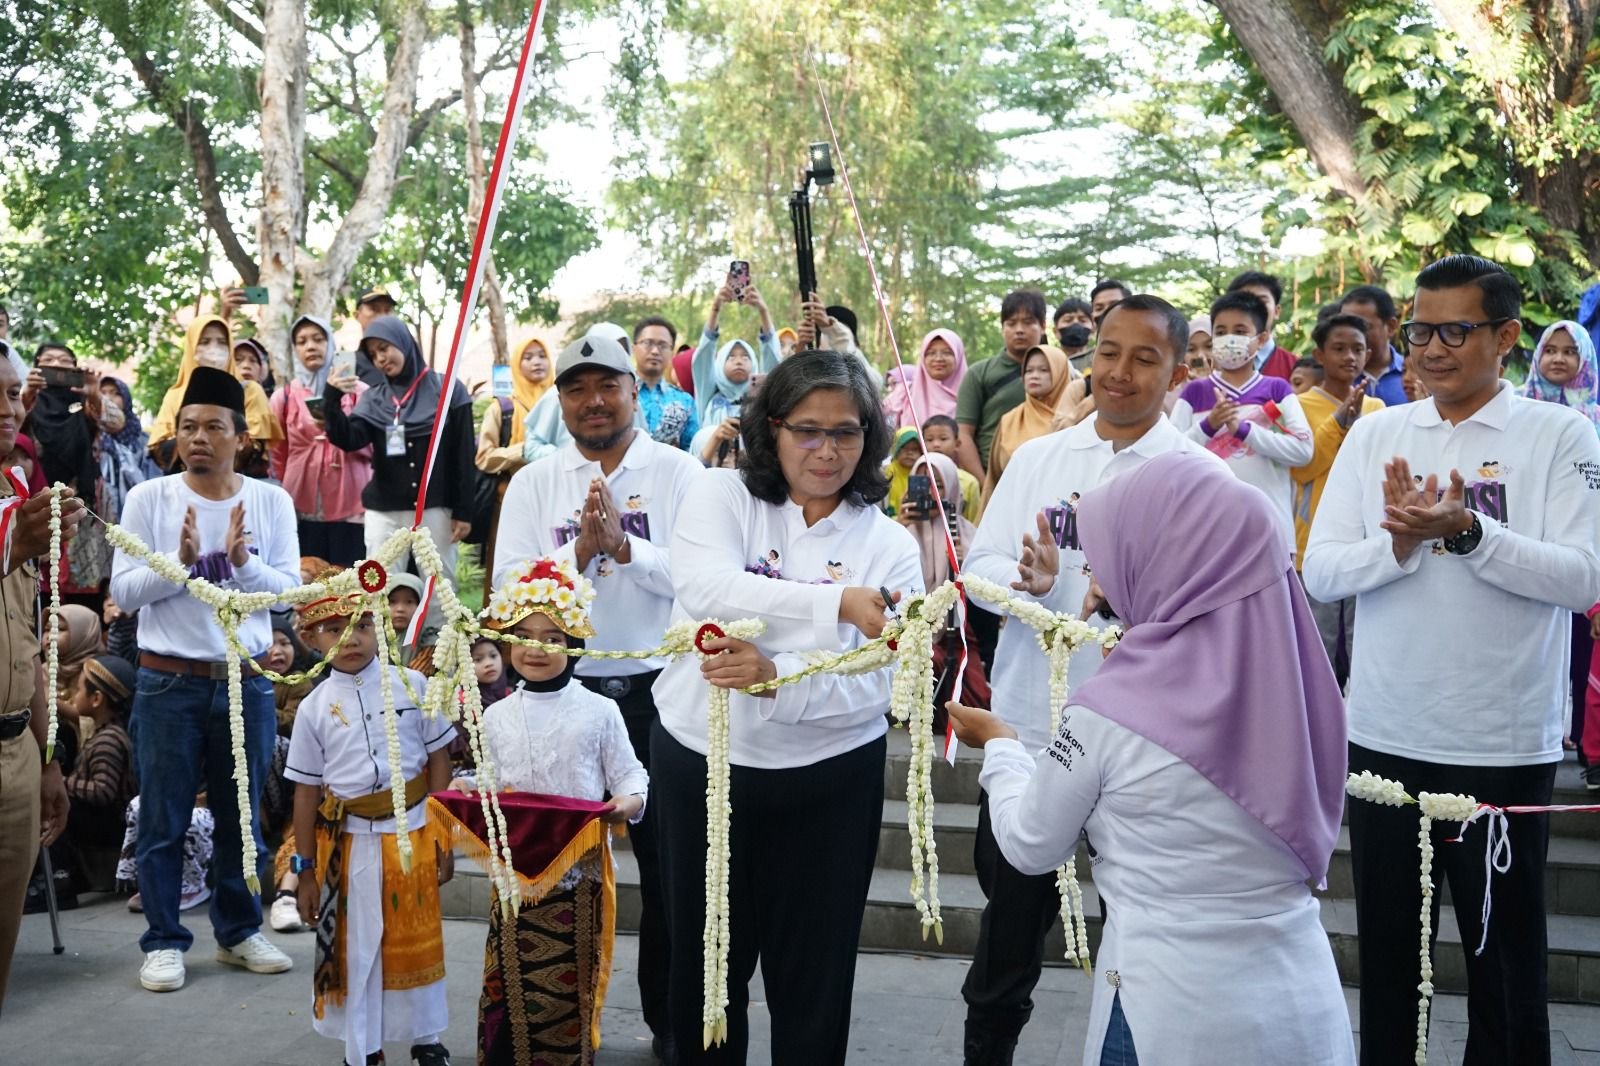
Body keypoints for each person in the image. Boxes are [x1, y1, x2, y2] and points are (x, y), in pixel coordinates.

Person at [948, 451, 1354, 1066]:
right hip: (1299, 1009)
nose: (1099, 578)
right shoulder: (1300, 694)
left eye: (1113, 556)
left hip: (1167, 1010)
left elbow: (1031, 843)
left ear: (1166, 562)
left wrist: (1002, 745)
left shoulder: (1111, 711)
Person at [1304, 255, 1600, 1063]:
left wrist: (1470, 534)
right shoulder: (1378, 434)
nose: (1431, 350)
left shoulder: (1559, 435)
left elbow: (1584, 578)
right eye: (1420, 331)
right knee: (1393, 960)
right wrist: (1396, 545)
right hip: (1386, 743)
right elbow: (1321, 569)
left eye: (1455, 331)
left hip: (1502, 747)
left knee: (1505, 966)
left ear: (1506, 337)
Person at [959, 294, 1227, 1066]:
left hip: (1146, 744)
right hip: (1033, 732)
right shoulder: (1043, 458)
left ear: (1180, 371)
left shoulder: (1198, 478)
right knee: (1008, 929)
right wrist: (1029, 583)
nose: (1120, 372)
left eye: (1146, 358)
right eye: (1108, 352)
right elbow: (977, 572)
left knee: (1141, 931)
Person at [652, 349, 920, 1064]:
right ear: (770, 429)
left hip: (829, 779)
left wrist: (777, 675)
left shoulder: (889, 545)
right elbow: (708, 587)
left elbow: (879, 677)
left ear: (870, 438)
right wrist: (836, 606)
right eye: (807, 430)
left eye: (846, 432)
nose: (826, 451)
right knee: (707, 968)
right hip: (702, 766)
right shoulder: (721, 495)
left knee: (816, 975)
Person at [493, 332, 702, 1057]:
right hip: (561, 698)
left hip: (662, 694)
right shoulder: (535, 481)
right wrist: (576, 554)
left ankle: (671, 1021)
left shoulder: (681, 473)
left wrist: (624, 549)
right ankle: (551, 1021)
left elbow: (703, 581)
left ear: (633, 390)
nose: (592, 401)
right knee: (550, 872)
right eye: (576, 389)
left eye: (606, 385)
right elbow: (507, 594)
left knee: (674, 872)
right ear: (560, 400)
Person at [110, 365, 300, 994]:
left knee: (240, 817)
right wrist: (181, 564)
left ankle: (239, 931)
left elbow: (291, 591)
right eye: (188, 427)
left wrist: (243, 563)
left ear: (239, 437)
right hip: (168, 681)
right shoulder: (149, 499)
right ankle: (163, 940)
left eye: (213, 427)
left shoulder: (269, 502)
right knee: (162, 816)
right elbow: (125, 592)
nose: (198, 438)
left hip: (245, 681)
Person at [458, 557, 648, 1066]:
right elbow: (491, 781)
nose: (537, 649)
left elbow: (631, 776)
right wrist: (466, 789)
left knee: (568, 991)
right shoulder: (494, 715)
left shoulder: (600, 710)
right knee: (506, 987)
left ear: (574, 646)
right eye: (525, 636)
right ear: (507, 644)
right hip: (513, 877)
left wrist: (625, 803)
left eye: (553, 637)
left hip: (576, 878)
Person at [287, 580, 455, 1066]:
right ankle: (365, 1047)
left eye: (361, 625)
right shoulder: (314, 708)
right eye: (334, 629)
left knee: (417, 941)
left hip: (416, 829)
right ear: (311, 639)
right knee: (361, 948)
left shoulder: (413, 685)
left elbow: (440, 758)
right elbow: (305, 792)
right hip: (353, 841)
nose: (351, 638)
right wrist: (305, 870)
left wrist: (444, 834)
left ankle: (427, 1040)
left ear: (380, 628)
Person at [0, 348, 86, 1007]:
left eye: (12, 395)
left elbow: (27, 649)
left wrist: (47, 758)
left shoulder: (17, 503)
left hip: (17, 756)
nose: (9, 410)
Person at [322, 315, 474, 578]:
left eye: (384, 348)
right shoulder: (374, 398)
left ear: (403, 342)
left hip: (435, 509)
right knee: (379, 588)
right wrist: (332, 398)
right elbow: (349, 439)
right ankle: (384, 623)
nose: (380, 358)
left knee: (438, 589)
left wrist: (463, 510)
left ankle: (436, 624)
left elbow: (463, 456)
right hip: (384, 512)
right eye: (373, 354)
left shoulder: (447, 389)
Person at [1169, 291, 1313, 553]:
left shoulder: (1277, 389)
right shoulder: (1194, 392)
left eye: (1239, 330)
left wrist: (1245, 431)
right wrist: (1207, 427)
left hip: (1270, 531)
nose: (1228, 339)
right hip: (1205, 532)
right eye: (1221, 331)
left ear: (1261, 339)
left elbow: (1303, 450)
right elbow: (1169, 455)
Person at [1519, 321, 1600, 779]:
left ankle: (1582, 735)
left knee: (1583, 644)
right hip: (1528, 541)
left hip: (1583, 543)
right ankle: (1541, 725)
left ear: (1585, 359)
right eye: (1550, 349)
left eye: (1571, 351)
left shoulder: (1595, 416)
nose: (1559, 359)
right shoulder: (1515, 407)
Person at [1293, 314, 1384, 685]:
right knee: (1318, 641)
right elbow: (1302, 467)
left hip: (1366, 540)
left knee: (1364, 639)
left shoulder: (1377, 409)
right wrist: (1339, 423)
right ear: (1319, 354)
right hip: (1312, 539)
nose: (1350, 357)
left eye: (1358, 349)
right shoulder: (1298, 405)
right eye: (1339, 349)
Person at [271, 315, 372, 567]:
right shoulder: (283, 397)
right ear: (295, 350)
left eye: (318, 339)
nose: (310, 346)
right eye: (302, 341)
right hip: (302, 500)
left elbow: (371, 445)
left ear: (331, 345)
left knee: (349, 583)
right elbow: (278, 453)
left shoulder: (359, 392)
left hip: (351, 500)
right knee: (308, 580)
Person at [25, 342, 110, 610]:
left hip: (79, 504)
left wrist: (94, 394)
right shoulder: (25, 400)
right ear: (36, 365)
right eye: (49, 359)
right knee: (33, 586)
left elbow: (118, 424)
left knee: (82, 592)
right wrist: (26, 394)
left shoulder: (85, 403)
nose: (58, 364)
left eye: (65, 360)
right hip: (35, 501)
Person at [149, 315, 282, 474]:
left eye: (222, 342)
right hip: (184, 490)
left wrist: (189, 445)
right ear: (191, 347)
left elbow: (254, 446)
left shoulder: (249, 391)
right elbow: (160, 449)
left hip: (237, 488)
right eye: (205, 342)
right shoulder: (175, 395)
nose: (214, 349)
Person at [475, 336, 554, 580]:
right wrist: (522, 450)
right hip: (512, 495)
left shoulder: (561, 402)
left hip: (555, 495)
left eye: (542, 356)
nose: (536, 362)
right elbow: (484, 457)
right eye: (527, 357)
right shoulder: (503, 408)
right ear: (516, 365)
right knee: (509, 568)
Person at [954, 290, 1048, 480]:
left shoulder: (1061, 371)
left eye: (1028, 322)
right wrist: (984, 483)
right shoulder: (979, 373)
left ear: (1043, 326)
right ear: (1002, 328)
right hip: (995, 475)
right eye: (1011, 323)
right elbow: (963, 435)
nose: (1019, 330)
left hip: (1048, 474)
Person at [62, 655, 139, 855]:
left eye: (79, 690)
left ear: (96, 699)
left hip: (108, 831)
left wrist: (64, 783)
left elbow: (103, 791)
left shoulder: (108, 740)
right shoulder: (105, 731)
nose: (75, 695)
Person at [983, 344, 1074, 504]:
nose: (1034, 376)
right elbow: (995, 477)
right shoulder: (1010, 419)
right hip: (1013, 508)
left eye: (1044, 370)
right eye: (1029, 370)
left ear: (1060, 373)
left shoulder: (1073, 419)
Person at [692, 283, 780, 433]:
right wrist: (715, 308)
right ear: (719, 365)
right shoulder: (708, 394)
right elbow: (703, 358)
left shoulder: (761, 398)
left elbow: (772, 360)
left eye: (746, 357)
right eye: (731, 357)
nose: (739, 361)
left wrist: (763, 311)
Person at [632, 317, 699, 450]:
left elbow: (690, 449)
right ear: (634, 348)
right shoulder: (618, 393)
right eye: (648, 343)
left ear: (671, 352)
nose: (655, 351)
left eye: (663, 345)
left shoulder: (684, 401)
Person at [1339, 284, 1409, 406]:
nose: (1352, 335)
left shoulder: (1416, 376)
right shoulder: (1333, 377)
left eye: (1362, 327)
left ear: (1391, 327)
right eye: (1346, 326)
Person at [798, 294, 885, 392]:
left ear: (855, 342)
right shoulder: (812, 372)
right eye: (826, 333)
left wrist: (831, 328)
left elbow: (872, 384)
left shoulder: (870, 375)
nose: (834, 336)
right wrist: (800, 349)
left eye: (842, 331)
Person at [883, 329, 968, 428]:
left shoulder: (973, 395)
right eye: (931, 353)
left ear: (959, 356)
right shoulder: (905, 394)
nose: (938, 358)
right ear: (923, 358)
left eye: (947, 353)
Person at [1225, 270, 1299, 380]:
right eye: (1244, 300)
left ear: (1277, 311)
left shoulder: (1297, 369)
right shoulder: (1217, 365)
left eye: (1262, 301)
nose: (1253, 308)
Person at [921, 415, 983, 524]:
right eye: (929, 440)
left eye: (943, 439)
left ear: (957, 444)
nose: (936, 444)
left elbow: (974, 521)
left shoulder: (969, 482)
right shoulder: (918, 478)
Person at [883, 427, 924, 517]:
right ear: (896, 449)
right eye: (904, 448)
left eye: (914, 449)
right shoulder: (887, 472)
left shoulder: (924, 472)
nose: (909, 453)